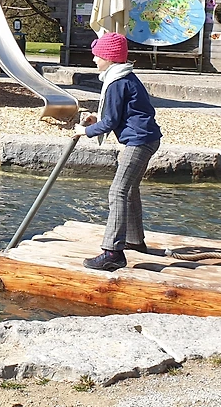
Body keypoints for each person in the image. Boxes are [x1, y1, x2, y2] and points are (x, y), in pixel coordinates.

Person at [74, 32, 164, 272]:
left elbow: (111, 122)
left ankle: (113, 252)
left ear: (109, 58)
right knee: (130, 189)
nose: (94, 59)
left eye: (97, 55)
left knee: (118, 191)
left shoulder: (116, 82)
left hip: (139, 142)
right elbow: (120, 113)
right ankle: (135, 240)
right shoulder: (125, 77)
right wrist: (97, 118)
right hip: (146, 138)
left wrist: (85, 131)